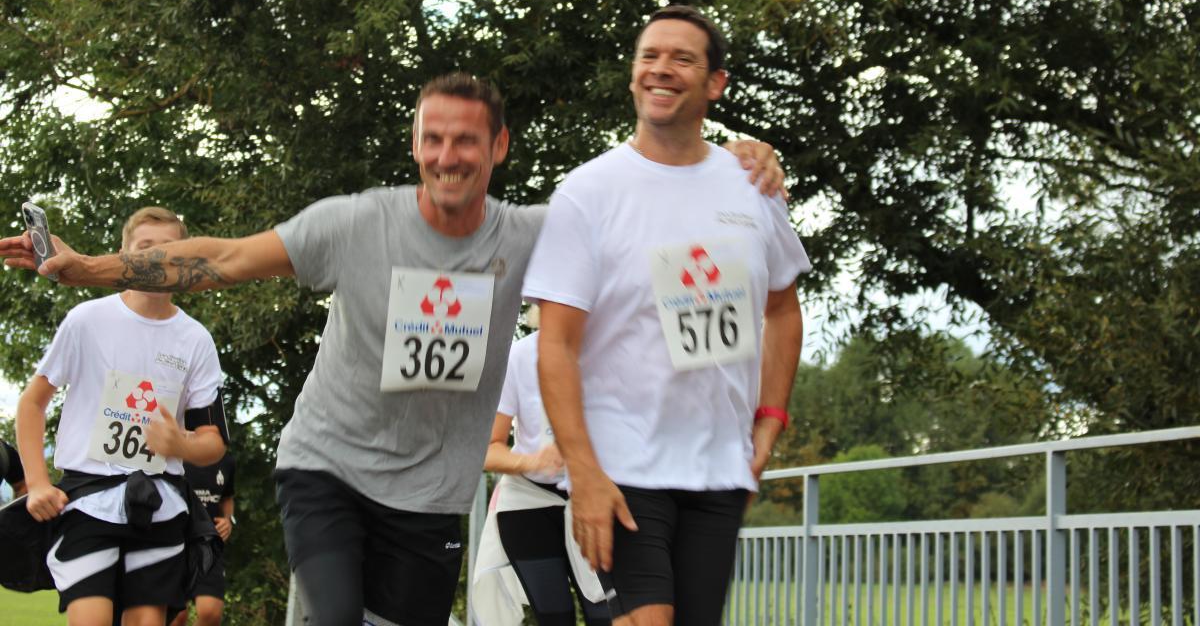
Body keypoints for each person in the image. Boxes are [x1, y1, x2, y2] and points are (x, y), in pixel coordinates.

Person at [2, 72, 784, 626]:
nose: (449, 155)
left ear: (500, 146)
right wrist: (87, 268)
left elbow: (654, 235)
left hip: (431, 495)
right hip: (329, 468)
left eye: (467, 140)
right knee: (337, 614)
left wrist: (733, 170)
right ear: (414, 145)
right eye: (433, 139)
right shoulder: (355, 224)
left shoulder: (534, 237)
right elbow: (225, 258)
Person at [524, 5, 810, 626]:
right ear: (632, 75)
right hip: (622, 463)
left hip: (719, 466)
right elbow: (556, 345)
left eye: (682, 58)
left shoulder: (751, 185)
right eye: (649, 56)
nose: (661, 69)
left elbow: (784, 311)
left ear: (715, 84)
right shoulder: (588, 193)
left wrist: (769, 424)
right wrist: (583, 472)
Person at [14, 206, 226, 626]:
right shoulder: (87, 320)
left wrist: (181, 444)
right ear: (123, 254)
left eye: (169, 248)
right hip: (88, 502)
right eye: (145, 247)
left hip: (161, 506)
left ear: (185, 257)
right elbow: (32, 403)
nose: (156, 257)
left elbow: (214, 441)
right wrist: (36, 483)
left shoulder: (195, 339)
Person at [481, 306, 609, 626]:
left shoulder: (612, 351)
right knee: (554, 619)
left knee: (606, 617)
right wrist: (530, 461)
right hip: (529, 503)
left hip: (593, 498)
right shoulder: (519, 356)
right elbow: (488, 449)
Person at [169, 450, 235, 626]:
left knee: (211, 612)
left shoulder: (226, 459)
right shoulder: (173, 452)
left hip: (209, 543)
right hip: (175, 541)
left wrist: (228, 520)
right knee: (177, 617)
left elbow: (227, 497)